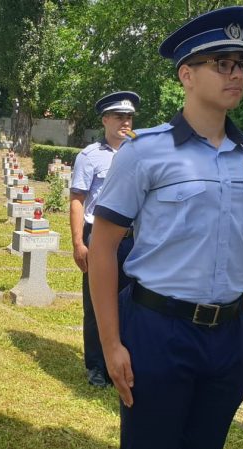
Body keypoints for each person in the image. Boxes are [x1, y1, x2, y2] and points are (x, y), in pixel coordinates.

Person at [88, 7, 243, 449]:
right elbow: (103, 247)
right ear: (187, 74)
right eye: (223, 64)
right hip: (159, 330)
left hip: (227, 336)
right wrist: (111, 344)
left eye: (242, 64)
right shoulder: (145, 151)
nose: (236, 74)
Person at [71, 91, 139, 388]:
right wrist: (78, 243)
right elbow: (77, 199)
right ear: (105, 120)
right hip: (98, 236)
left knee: (133, 301)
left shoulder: (140, 152)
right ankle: (97, 365)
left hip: (135, 238)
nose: (125, 122)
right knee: (97, 301)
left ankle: (126, 360)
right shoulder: (90, 156)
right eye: (119, 117)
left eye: (129, 117)